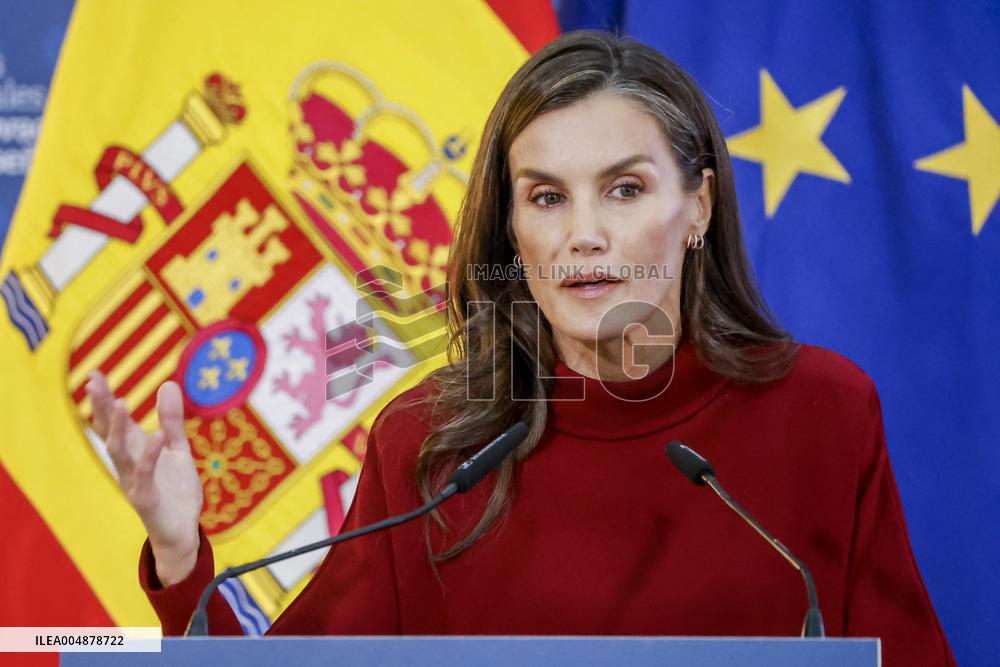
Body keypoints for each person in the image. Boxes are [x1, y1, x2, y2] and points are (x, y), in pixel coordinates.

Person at [86, 30, 954, 664]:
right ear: (510, 227)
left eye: (624, 189)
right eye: (546, 197)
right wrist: (180, 555)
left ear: (698, 206)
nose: (584, 234)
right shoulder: (430, 445)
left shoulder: (824, 411)